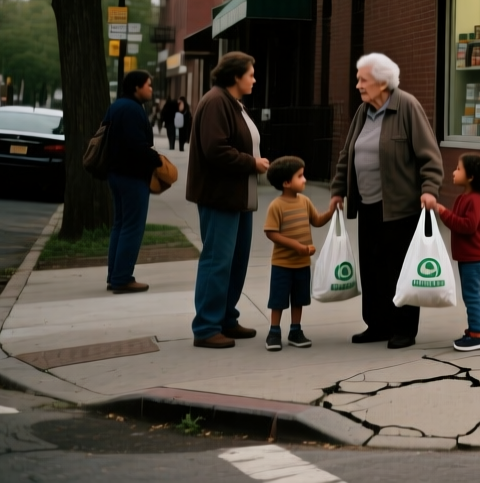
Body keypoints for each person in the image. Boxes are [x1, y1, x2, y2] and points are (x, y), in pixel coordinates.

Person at [329, 53, 443, 350]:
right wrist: (338, 190)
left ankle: (403, 328)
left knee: (398, 269)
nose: (358, 86)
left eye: (363, 80)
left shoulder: (407, 107)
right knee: (372, 268)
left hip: (400, 207)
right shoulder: (362, 112)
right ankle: (377, 324)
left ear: (382, 82)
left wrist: (430, 188)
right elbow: (347, 154)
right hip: (368, 205)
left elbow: (429, 155)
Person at [186, 52, 270, 350]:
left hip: (238, 197)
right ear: (236, 76)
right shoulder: (216, 102)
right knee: (217, 261)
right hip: (219, 196)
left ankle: (225, 318)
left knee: (236, 261)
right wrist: (252, 163)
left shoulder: (232, 103)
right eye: (250, 73)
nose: (254, 79)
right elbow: (215, 149)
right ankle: (207, 327)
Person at [262, 156, 337, 352]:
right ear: (286, 183)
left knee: (299, 299)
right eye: (300, 176)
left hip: (302, 263)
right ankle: (274, 331)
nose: (304, 180)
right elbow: (271, 232)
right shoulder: (276, 206)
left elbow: (317, 220)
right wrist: (295, 246)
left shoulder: (304, 201)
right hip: (282, 263)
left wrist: (331, 212)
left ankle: (295, 330)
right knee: (278, 299)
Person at [425, 152, 480, 352]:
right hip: (468, 255)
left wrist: (441, 211)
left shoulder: (475, 200)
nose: (454, 172)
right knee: (470, 294)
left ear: (471, 177)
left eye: (458, 169)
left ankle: (476, 336)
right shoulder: (464, 197)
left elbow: (467, 226)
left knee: (471, 295)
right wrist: (443, 212)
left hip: (474, 256)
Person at [103, 70, 162, 294]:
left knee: (120, 225)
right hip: (132, 175)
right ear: (136, 87)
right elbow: (136, 145)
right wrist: (156, 159)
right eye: (148, 85)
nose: (151, 89)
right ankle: (122, 278)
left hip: (117, 174)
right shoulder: (131, 109)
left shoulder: (117, 106)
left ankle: (115, 275)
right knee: (132, 227)